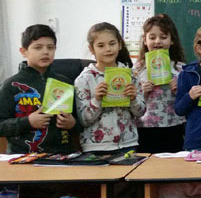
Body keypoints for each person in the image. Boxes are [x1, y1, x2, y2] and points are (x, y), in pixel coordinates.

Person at [0, 24, 79, 154]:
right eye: (38, 47)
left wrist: (72, 123)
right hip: (23, 156)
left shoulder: (65, 83)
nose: (45, 52)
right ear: (23, 51)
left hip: (61, 155)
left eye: (50, 47)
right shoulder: (11, 85)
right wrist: (28, 122)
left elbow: (80, 123)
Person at [74, 22, 143, 153]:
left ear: (120, 45)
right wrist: (97, 100)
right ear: (91, 49)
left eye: (112, 44)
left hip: (128, 143)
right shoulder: (84, 80)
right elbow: (84, 120)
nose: (108, 49)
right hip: (96, 147)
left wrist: (133, 99)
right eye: (101, 45)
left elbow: (140, 113)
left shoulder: (131, 75)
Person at [134, 14, 187, 153]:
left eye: (163, 37)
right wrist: (142, 91)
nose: (157, 41)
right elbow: (131, 100)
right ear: (145, 40)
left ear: (172, 40)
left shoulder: (180, 68)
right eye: (152, 37)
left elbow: (188, 101)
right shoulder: (137, 69)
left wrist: (179, 91)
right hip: (146, 126)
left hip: (175, 125)